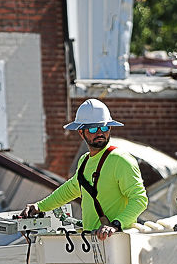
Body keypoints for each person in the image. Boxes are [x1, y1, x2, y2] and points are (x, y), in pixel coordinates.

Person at [20, 99, 148, 240]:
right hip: (92, 241)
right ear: (81, 132)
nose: (100, 133)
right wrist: (39, 207)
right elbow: (70, 190)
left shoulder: (121, 160)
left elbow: (139, 199)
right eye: (93, 129)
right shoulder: (84, 161)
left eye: (104, 128)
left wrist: (115, 225)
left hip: (117, 242)